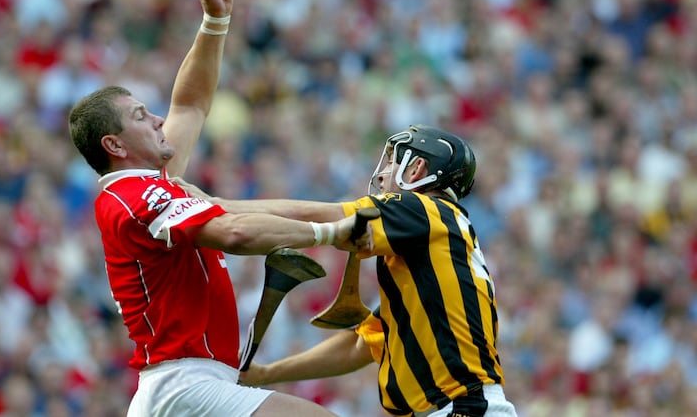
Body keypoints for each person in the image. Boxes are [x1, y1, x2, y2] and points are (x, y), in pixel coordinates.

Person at [68, 0, 366, 417]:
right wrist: (333, 233)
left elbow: (190, 103)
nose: (158, 120)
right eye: (140, 116)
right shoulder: (133, 197)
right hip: (183, 383)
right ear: (115, 144)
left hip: (190, 384)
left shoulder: (154, 183)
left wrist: (215, 21)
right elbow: (236, 234)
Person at [175, 124, 518, 417]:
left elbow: (327, 217)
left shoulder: (423, 209)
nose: (382, 172)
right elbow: (360, 346)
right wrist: (266, 373)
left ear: (416, 170)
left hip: (460, 408)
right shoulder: (424, 253)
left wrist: (217, 206)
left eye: (394, 161)